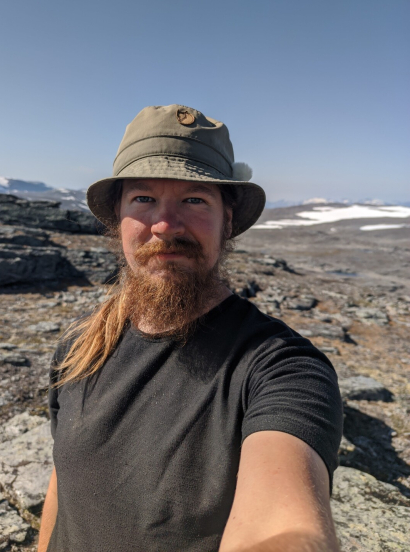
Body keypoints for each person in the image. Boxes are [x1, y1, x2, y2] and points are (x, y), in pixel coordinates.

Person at [38, 105, 343, 552]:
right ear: (117, 219)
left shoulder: (280, 368)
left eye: (194, 200)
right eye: (143, 199)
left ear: (229, 221)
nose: (165, 225)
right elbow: (64, 483)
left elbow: (287, 528)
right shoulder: (80, 348)